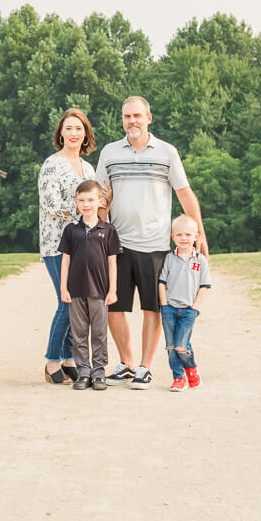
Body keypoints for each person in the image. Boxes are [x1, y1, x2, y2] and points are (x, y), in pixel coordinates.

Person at [94, 96, 205, 390]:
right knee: (113, 307)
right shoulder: (109, 153)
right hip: (117, 243)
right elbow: (101, 197)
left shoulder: (167, 152)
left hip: (154, 244)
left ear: (148, 118)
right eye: (127, 116)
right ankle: (128, 363)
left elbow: (185, 194)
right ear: (122, 120)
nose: (132, 121)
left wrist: (200, 233)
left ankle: (145, 366)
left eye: (137, 116)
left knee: (153, 308)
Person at [37, 109, 96, 384]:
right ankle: (52, 362)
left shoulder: (88, 168)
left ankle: (70, 358)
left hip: (84, 243)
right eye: (69, 128)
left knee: (80, 302)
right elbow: (50, 204)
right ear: (61, 132)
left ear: (85, 134)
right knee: (67, 300)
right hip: (57, 243)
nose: (74, 133)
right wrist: (82, 209)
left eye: (79, 128)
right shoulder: (52, 164)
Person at [58, 179, 120, 391]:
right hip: (76, 291)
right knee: (80, 333)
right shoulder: (71, 230)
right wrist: (63, 288)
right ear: (76, 203)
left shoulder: (108, 230)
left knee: (100, 333)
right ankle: (83, 372)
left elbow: (112, 261)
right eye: (82, 200)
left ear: (100, 201)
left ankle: (99, 372)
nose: (87, 204)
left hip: (100, 291)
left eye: (91, 200)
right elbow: (65, 260)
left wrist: (112, 290)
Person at [158, 214, 211, 393]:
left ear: (196, 237)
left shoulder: (200, 261)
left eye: (188, 235)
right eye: (179, 235)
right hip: (170, 308)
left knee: (182, 344)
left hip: (189, 309)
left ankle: (191, 368)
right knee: (171, 346)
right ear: (173, 237)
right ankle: (179, 377)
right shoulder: (169, 259)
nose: (184, 238)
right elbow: (161, 283)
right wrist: (164, 306)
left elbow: (204, 286)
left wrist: (195, 308)